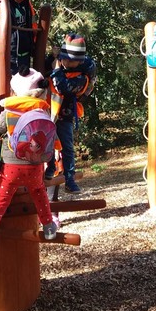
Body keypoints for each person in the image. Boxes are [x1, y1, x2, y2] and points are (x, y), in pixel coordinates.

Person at [0, 66, 59, 269]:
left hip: (10, 167)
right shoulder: (42, 110)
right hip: (35, 166)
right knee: (39, 193)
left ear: (15, 90)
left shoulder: (9, 111)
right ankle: (48, 226)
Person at [45, 34, 97, 194]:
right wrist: (53, 58)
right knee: (47, 142)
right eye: (64, 58)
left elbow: (62, 86)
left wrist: (56, 68)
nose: (66, 62)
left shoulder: (83, 76)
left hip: (65, 114)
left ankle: (70, 179)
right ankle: (50, 167)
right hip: (47, 111)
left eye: (70, 60)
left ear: (79, 62)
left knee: (67, 146)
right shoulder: (57, 61)